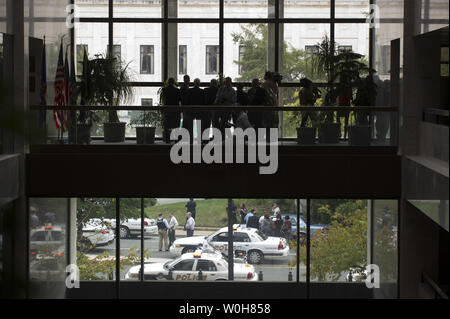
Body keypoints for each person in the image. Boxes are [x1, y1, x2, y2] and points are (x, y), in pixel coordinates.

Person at [161, 77, 181, 143]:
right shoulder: (177, 90)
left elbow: (163, 100)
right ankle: (176, 140)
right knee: (176, 125)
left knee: (167, 125)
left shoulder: (164, 90)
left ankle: (167, 140)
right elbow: (179, 100)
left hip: (167, 109)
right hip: (175, 109)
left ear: (168, 82)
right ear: (173, 82)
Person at [262, 71, 280, 142]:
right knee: (274, 122)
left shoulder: (264, 84)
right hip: (275, 104)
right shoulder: (275, 84)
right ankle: (273, 139)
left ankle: (268, 139)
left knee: (267, 123)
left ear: (266, 76)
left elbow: (263, 94)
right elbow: (276, 92)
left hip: (267, 106)